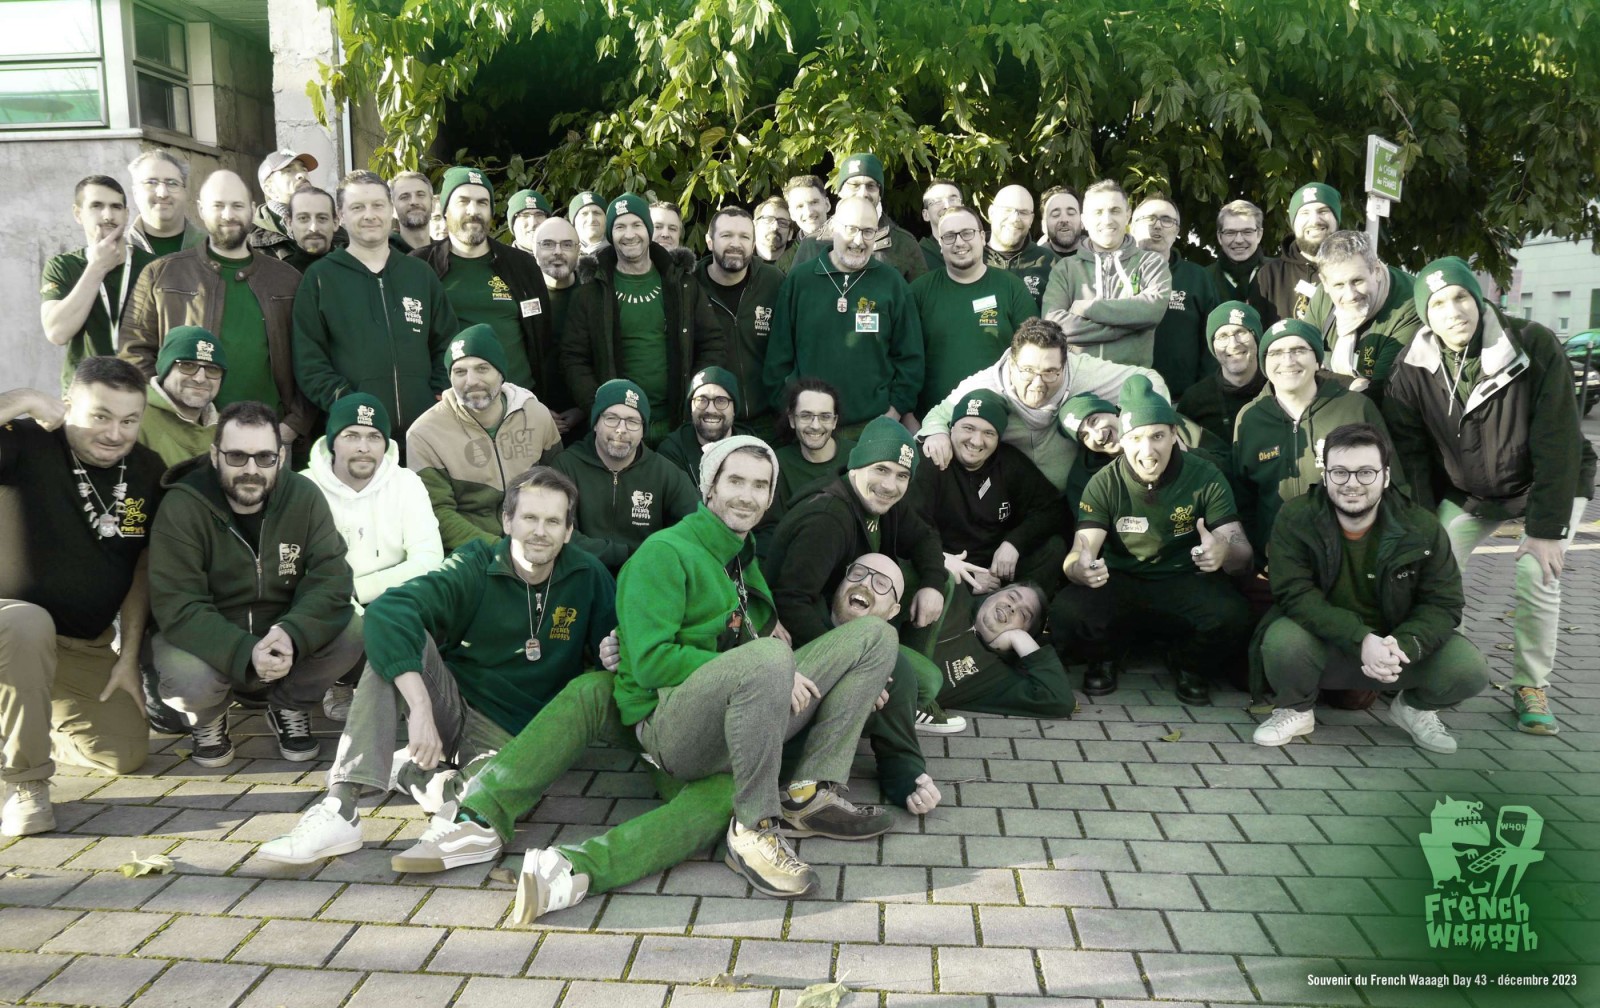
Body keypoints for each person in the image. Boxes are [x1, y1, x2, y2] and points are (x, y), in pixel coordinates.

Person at [256, 465, 613, 865]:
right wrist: (421, 708)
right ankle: (341, 807)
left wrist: (611, 653)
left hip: (513, 734)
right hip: (452, 703)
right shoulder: (475, 563)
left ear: (568, 530)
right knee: (397, 640)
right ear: (507, 521)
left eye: (553, 521)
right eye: (529, 518)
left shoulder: (588, 575)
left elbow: (615, 645)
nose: (540, 532)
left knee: (498, 801)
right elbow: (388, 610)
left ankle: (414, 773)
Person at [615, 435, 898, 897]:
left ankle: (808, 793)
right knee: (770, 656)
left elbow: (753, 635)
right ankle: (752, 829)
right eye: (736, 481)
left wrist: (778, 666)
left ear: (770, 499)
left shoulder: (740, 554)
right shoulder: (664, 552)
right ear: (710, 487)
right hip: (672, 730)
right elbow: (650, 663)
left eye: (760, 486)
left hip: (744, 705)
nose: (747, 496)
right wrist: (766, 667)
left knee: (876, 635)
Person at [1384, 257, 1597, 735]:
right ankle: (1446, 666)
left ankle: (1530, 685)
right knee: (1433, 565)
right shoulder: (1411, 366)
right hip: (1472, 492)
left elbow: (1559, 439)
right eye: (1438, 304)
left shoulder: (1531, 344)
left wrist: (1545, 531)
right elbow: (1412, 457)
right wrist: (1423, 527)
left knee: (1536, 570)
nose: (1453, 311)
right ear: (1426, 315)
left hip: (1548, 481)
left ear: (1478, 299)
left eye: (1461, 297)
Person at [0, 358, 166, 835]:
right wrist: (23, 398)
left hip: (79, 645)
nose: (115, 433)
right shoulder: (23, 441)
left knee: (123, 753)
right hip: (10, 626)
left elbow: (139, 568)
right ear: (67, 404)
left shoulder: (146, 469)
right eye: (100, 416)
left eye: (129, 420)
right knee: (29, 624)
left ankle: (29, 728)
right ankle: (26, 784)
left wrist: (127, 656)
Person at [149, 401, 363, 767]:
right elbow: (178, 604)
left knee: (353, 630)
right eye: (237, 456)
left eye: (264, 457)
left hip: (281, 629)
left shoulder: (304, 496)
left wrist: (292, 632)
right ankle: (208, 717)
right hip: (209, 636)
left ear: (281, 457)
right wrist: (246, 651)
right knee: (188, 678)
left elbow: (332, 576)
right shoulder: (182, 504)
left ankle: (287, 706)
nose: (251, 470)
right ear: (215, 455)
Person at [1252, 423, 1488, 752]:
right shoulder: (1296, 517)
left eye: (1365, 472)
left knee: (1468, 668)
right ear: (1326, 476)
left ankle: (1414, 709)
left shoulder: (1421, 527)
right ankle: (1296, 709)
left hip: (1395, 651)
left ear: (1385, 476)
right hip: (1325, 645)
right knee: (1282, 640)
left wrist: (1403, 645)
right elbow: (1295, 595)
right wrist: (1361, 638)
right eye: (1340, 472)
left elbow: (1444, 603)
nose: (1352, 484)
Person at [1051, 375, 1254, 705]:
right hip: (1121, 578)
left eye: (1157, 436)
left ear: (1174, 434)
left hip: (1183, 576)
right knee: (1067, 611)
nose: (1147, 450)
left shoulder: (1205, 474)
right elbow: (1079, 552)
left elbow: (1242, 553)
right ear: (1124, 440)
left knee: (1234, 615)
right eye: (1136, 438)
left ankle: (1187, 664)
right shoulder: (1103, 483)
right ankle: (1106, 657)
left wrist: (1223, 551)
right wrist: (1080, 569)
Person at [120, 171, 315, 453]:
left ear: (252, 209)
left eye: (237, 205)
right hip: (183, 439)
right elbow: (133, 353)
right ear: (201, 209)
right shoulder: (162, 274)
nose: (228, 214)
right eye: (218, 205)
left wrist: (294, 424)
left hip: (269, 437)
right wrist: (166, 417)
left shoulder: (287, 279)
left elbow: (312, 356)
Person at [306, 393, 442, 720]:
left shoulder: (406, 483)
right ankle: (340, 682)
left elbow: (429, 558)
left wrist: (361, 589)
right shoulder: (303, 486)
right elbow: (299, 570)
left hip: (390, 597)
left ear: (385, 444)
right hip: (329, 601)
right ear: (333, 442)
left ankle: (398, 690)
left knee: (413, 613)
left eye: (374, 437)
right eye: (351, 436)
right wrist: (345, 596)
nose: (363, 447)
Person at [294, 171, 458, 438]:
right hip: (356, 435)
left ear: (391, 210)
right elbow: (309, 360)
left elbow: (447, 343)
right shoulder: (320, 278)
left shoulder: (420, 274)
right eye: (357, 207)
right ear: (340, 216)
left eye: (377, 205)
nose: (369, 215)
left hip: (425, 431)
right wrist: (348, 403)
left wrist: (435, 396)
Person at [918, 317, 1169, 492]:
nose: (1038, 384)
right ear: (1012, 363)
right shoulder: (985, 385)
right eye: (1028, 370)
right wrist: (937, 433)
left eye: (1050, 372)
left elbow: (1149, 381)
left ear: (1064, 365)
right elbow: (938, 415)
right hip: (1007, 499)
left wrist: (1144, 433)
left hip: (1075, 494)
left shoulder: (1082, 372)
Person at [767, 418, 948, 653]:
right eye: (881, 469)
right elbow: (791, 602)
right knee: (917, 677)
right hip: (805, 639)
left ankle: (904, 654)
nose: (889, 485)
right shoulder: (826, 519)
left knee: (938, 580)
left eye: (902, 475)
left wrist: (933, 584)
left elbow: (924, 536)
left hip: (851, 613)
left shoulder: (884, 502)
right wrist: (845, 658)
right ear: (857, 465)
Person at [560, 192, 727, 443]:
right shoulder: (591, 291)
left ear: (648, 230)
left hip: (678, 424)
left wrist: (696, 396)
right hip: (618, 427)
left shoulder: (682, 284)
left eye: (637, 225)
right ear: (610, 234)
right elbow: (574, 358)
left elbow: (712, 343)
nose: (629, 234)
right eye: (619, 227)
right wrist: (599, 406)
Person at [1230, 318, 1397, 552]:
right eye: (1275, 353)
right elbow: (1243, 498)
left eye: (1299, 350)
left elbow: (1392, 485)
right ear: (1264, 363)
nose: (1288, 361)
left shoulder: (1356, 409)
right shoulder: (1249, 419)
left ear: (1317, 359)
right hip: (1279, 559)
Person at [763, 196, 924, 431]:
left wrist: (894, 411)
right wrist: (790, 411)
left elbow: (910, 357)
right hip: (810, 426)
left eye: (868, 231)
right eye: (851, 229)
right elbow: (777, 359)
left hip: (874, 425)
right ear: (833, 228)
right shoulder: (800, 281)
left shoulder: (892, 283)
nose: (859, 240)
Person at [408, 325, 563, 551]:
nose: (471, 381)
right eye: (460, 372)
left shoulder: (535, 415)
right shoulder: (425, 433)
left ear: (501, 374)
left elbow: (558, 486)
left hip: (535, 540)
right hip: (469, 552)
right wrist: (501, 549)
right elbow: (437, 512)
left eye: (482, 369)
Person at [413, 166, 558, 399]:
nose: (474, 210)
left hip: (517, 402)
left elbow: (543, 339)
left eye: (482, 202)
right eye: (463, 201)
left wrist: (546, 402)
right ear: (445, 210)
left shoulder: (522, 265)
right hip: (450, 405)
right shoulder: (420, 265)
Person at [908, 389, 1062, 593]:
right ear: (952, 427)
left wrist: (1014, 543)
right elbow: (913, 528)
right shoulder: (931, 461)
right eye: (968, 428)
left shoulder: (1009, 463)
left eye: (989, 433)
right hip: (947, 566)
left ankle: (1022, 607)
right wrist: (962, 574)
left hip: (998, 567)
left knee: (1053, 547)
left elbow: (1052, 508)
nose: (976, 441)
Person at [549, 379, 699, 571]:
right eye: (611, 418)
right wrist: (625, 554)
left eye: (632, 421)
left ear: (643, 430)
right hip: (582, 573)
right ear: (595, 423)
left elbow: (695, 526)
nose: (621, 429)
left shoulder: (664, 473)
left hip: (646, 574)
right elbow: (556, 531)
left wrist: (657, 557)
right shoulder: (566, 466)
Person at [912, 206, 1037, 415]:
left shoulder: (1011, 287)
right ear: (940, 245)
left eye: (967, 233)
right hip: (935, 418)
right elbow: (904, 358)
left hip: (999, 415)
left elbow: (1034, 352)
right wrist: (908, 415)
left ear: (982, 238)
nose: (959, 242)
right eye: (949, 236)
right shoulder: (919, 291)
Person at [40, 176, 156, 390]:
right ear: (78, 213)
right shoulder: (63, 266)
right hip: (84, 392)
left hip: (141, 391)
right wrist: (97, 267)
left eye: (116, 207)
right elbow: (57, 332)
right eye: (96, 206)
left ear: (127, 214)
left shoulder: (155, 266)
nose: (108, 215)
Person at [1040, 179, 1172, 367]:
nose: (1107, 220)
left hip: (1131, 377)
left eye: (1115, 211)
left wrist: (1086, 308)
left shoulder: (1151, 263)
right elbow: (1054, 325)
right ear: (1085, 220)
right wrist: (1129, 326)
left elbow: (1152, 309)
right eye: (1098, 212)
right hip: (1078, 378)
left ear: (1128, 215)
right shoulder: (1065, 269)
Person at [1304, 230, 1421, 401]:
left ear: (1377, 271)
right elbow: (1301, 365)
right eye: (1339, 285)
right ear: (1325, 282)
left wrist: (1321, 375)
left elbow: (1378, 392)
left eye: (1357, 281)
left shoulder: (1410, 307)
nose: (1350, 295)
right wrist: (1350, 382)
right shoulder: (1323, 293)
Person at [697, 207, 785, 435]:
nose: (736, 244)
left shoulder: (773, 282)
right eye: (726, 235)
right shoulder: (691, 286)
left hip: (769, 420)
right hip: (712, 419)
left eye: (744, 237)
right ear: (709, 241)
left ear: (753, 243)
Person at [1131, 196, 1221, 393]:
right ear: (1133, 226)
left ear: (1177, 231)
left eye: (1166, 220)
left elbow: (1212, 341)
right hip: (1122, 395)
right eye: (1149, 218)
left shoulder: (1197, 277)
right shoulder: (1113, 272)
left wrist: (1200, 393)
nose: (1157, 225)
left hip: (1182, 398)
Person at [789, 153, 927, 283]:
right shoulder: (812, 243)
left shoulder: (903, 244)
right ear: (840, 191)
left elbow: (918, 298)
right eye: (854, 185)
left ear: (879, 193)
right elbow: (794, 294)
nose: (862, 193)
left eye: (871, 186)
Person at [1176, 302, 1267, 445]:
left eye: (1241, 332)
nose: (1233, 344)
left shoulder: (1278, 390)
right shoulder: (1195, 400)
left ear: (1256, 338)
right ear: (1212, 346)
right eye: (1223, 336)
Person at [136, 326, 227, 466]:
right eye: (187, 365)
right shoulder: (134, 419)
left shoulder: (225, 429)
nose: (200, 378)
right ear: (165, 369)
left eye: (212, 369)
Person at [529, 216, 586, 437]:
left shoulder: (595, 295)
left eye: (567, 244)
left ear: (578, 250)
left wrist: (584, 408)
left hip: (587, 417)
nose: (558, 252)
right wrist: (534, 409)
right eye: (548, 244)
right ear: (534, 250)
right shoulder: (520, 296)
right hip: (529, 416)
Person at [770, 378, 856, 519]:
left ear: (834, 421)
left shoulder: (857, 456)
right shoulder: (777, 464)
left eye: (825, 417)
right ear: (792, 420)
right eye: (806, 416)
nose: (815, 425)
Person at [656, 367, 755, 484]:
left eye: (721, 400)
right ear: (691, 408)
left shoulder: (753, 449)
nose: (710, 409)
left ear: (734, 409)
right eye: (701, 400)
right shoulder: (673, 451)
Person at [1259, 182, 1339, 323]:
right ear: (1293, 223)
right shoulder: (1270, 275)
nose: (1314, 220)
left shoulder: (1355, 270)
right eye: (1304, 213)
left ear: (1337, 219)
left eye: (1323, 211)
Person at [1205, 199, 1277, 325]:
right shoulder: (1204, 278)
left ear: (1259, 235)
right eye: (1230, 232)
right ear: (1219, 237)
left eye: (1247, 232)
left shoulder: (1280, 272)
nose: (1239, 240)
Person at [985, 184, 1057, 307]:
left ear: (1031, 220)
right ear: (991, 213)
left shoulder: (1051, 263)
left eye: (1023, 212)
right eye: (1007, 210)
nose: (1015, 218)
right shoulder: (971, 259)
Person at [126, 149, 205, 256]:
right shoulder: (118, 252)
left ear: (185, 193)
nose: (163, 194)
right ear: (135, 193)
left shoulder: (211, 249)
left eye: (172, 183)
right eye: (151, 182)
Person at [249, 149, 318, 259]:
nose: (302, 174)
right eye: (289, 171)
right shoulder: (256, 246)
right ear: (270, 190)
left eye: (304, 169)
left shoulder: (332, 229)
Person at [281, 186, 342, 274]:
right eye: (303, 218)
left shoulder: (357, 271)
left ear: (335, 223)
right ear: (289, 223)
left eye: (322, 218)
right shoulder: (278, 276)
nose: (314, 228)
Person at [917, 178, 964, 271]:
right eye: (937, 201)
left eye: (953, 199)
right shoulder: (917, 256)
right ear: (926, 215)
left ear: (963, 208)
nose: (947, 206)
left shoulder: (980, 249)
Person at [389, 171, 435, 252]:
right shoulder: (381, 254)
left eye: (420, 195)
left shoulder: (446, 254)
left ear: (433, 204)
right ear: (392, 208)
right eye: (404, 197)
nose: (414, 202)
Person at [752, 196, 795, 270]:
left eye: (782, 223)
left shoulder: (800, 261)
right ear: (754, 226)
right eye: (768, 220)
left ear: (790, 234)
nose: (775, 227)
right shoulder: (740, 259)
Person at [783, 174, 830, 242]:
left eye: (814, 202)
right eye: (800, 206)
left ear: (827, 204)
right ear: (792, 214)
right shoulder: (791, 249)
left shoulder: (847, 240)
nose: (808, 212)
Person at [1039, 186, 1082, 258]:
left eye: (1071, 213)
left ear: (1083, 221)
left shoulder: (1100, 260)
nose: (1064, 219)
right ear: (1044, 226)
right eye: (1055, 214)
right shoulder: (1031, 263)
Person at [506, 189, 553, 254]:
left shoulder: (564, 259)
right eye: (525, 215)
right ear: (513, 225)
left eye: (539, 215)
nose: (533, 223)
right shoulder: (500, 260)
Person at [568, 191, 608, 255]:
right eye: (584, 214)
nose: (591, 219)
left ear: (606, 219)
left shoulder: (620, 254)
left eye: (596, 213)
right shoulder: (564, 256)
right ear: (574, 222)